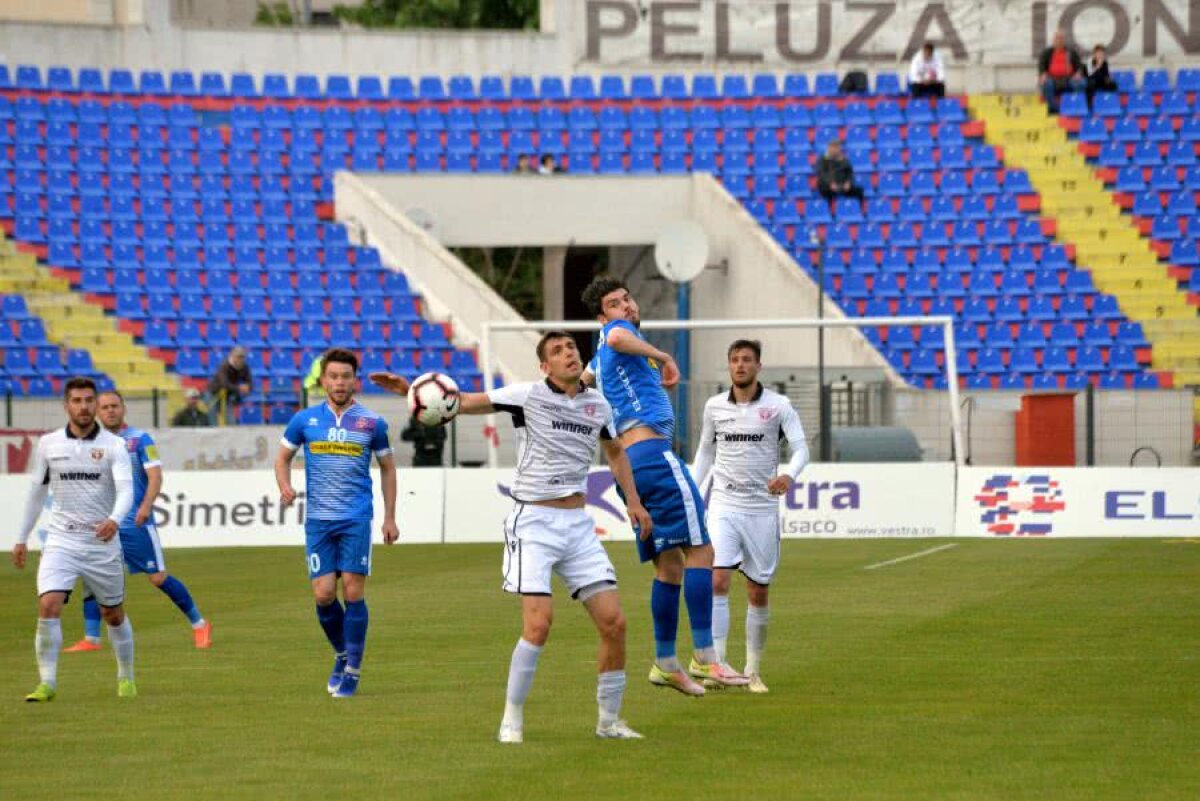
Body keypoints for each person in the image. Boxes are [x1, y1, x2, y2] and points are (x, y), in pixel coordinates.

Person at [369, 331, 651, 742]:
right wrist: (411, 390)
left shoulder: (598, 405)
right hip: (533, 523)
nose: (568, 353)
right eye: (558, 351)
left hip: (578, 526)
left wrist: (634, 502)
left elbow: (616, 452)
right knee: (539, 625)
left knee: (615, 623)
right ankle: (511, 718)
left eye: (571, 348)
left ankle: (609, 722)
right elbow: (464, 402)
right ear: (544, 366)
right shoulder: (526, 395)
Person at [580, 275, 748, 696]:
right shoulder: (617, 336)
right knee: (702, 550)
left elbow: (582, 380)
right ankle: (706, 658)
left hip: (631, 467)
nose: (627, 306)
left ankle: (666, 663)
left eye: (627, 297)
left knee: (670, 565)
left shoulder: (599, 359)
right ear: (602, 317)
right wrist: (663, 355)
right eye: (615, 303)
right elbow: (618, 336)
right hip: (653, 456)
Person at [274, 348, 398, 698]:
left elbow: (388, 469)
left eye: (346, 376)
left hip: (356, 519)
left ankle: (353, 672)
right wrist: (285, 485)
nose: (340, 382)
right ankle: (342, 654)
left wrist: (389, 517)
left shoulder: (372, 423)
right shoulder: (304, 420)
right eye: (333, 376)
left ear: (355, 381)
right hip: (318, 521)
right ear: (323, 381)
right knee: (324, 593)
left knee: (353, 592)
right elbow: (282, 459)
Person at [690, 341, 809, 695]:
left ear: (759, 366)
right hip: (723, 505)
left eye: (746, 360)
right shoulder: (714, 406)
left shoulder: (778, 405)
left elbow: (801, 448)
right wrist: (692, 492)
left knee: (757, 591)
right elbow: (705, 452)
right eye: (734, 360)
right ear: (728, 366)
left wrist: (789, 475)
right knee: (717, 580)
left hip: (761, 510)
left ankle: (753, 670)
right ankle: (717, 666)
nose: (740, 365)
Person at [10, 377, 137, 702]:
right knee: (48, 604)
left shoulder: (114, 445)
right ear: (66, 406)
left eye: (89, 400)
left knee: (113, 614)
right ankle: (47, 683)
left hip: (101, 543)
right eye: (77, 401)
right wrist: (22, 537)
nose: (84, 406)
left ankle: (126, 676)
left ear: (95, 404)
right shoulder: (49, 444)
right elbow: (36, 493)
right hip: (61, 541)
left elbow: (126, 490)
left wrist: (114, 519)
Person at [64, 390, 212, 653]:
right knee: (92, 576)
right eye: (105, 407)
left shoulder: (139, 440)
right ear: (97, 412)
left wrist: (146, 506)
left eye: (115, 406)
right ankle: (91, 638)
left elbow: (155, 476)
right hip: (103, 524)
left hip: (135, 522)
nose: (110, 411)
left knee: (157, 577)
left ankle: (199, 624)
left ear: (123, 409)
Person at [1038, 30, 1084, 114]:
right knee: (1046, 84)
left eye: (1061, 38)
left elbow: (1079, 65)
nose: (1059, 41)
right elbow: (1042, 65)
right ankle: (1054, 109)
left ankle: (1074, 106)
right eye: (1057, 38)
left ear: (1064, 40)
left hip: (1069, 78)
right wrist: (1043, 74)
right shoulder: (1047, 52)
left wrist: (1078, 73)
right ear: (1053, 40)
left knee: (1081, 83)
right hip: (1052, 79)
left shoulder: (1071, 52)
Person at [207, 346, 253, 425]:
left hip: (227, 396)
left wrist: (248, 387)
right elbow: (224, 384)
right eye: (238, 357)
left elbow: (250, 381)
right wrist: (239, 388)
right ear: (232, 356)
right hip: (213, 394)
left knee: (230, 421)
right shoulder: (224, 366)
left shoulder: (244, 367)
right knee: (212, 421)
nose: (240, 359)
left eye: (242, 357)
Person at [816, 140, 865, 208]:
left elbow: (849, 173)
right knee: (826, 192)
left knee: (859, 191)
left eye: (837, 148)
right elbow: (822, 174)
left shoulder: (844, 160)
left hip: (842, 185)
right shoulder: (823, 160)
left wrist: (848, 183)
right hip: (827, 186)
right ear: (829, 148)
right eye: (833, 147)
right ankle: (829, 210)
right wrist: (830, 183)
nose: (835, 150)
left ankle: (860, 209)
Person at [1085, 44, 1117, 110]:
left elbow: (1106, 74)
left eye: (1102, 53)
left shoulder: (1105, 62)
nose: (1100, 55)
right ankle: (1089, 105)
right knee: (1089, 85)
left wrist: (1109, 78)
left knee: (1113, 85)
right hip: (1093, 80)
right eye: (1098, 53)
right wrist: (1098, 66)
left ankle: (1109, 102)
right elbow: (1089, 74)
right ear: (1094, 54)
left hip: (1102, 80)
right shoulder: (1090, 61)